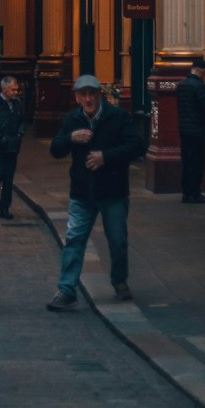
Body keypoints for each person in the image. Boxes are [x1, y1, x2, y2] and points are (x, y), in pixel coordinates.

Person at [47, 73, 145, 310]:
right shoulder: (72, 120)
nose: (88, 99)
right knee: (74, 240)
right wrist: (71, 138)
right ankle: (66, 289)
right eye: (83, 95)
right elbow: (55, 149)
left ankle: (119, 281)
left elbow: (137, 146)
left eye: (92, 94)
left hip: (113, 191)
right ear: (77, 97)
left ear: (100, 95)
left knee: (118, 240)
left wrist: (106, 157)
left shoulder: (118, 117)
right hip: (82, 192)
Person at [0, 75, 24, 219]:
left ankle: (4, 208)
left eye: (17, 90)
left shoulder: (18, 103)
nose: (16, 92)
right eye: (13, 90)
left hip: (13, 146)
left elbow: (22, 120)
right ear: (5, 89)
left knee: (8, 179)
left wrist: (20, 133)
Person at [176, 56, 205, 203]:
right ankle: (195, 193)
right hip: (197, 129)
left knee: (186, 161)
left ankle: (186, 193)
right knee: (197, 162)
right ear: (201, 71)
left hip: (184, 129)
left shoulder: (181, 85)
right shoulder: (199, 86)